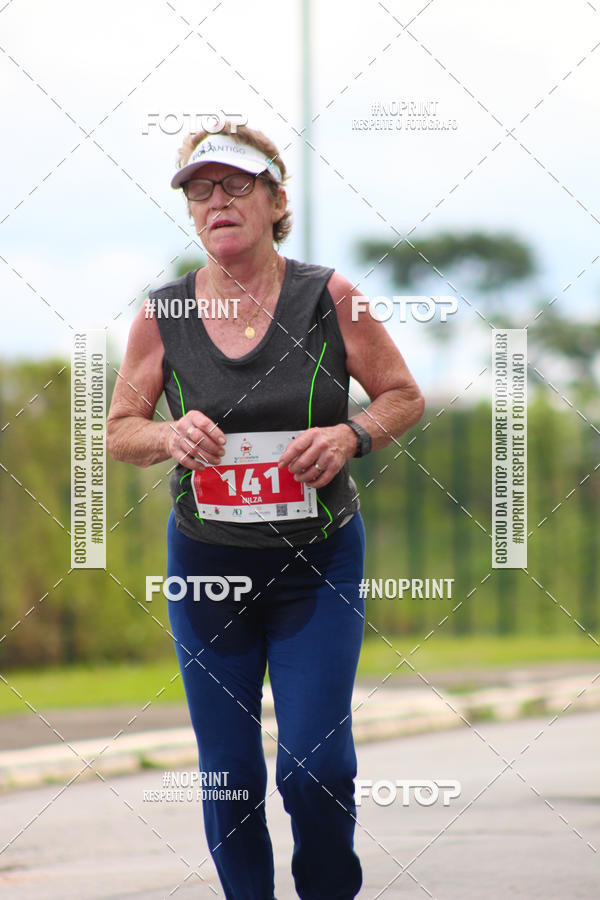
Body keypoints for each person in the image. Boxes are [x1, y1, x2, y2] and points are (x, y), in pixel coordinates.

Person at [107, 121, 424, 899]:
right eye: (200, 190)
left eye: (236, 185)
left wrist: (350, 436)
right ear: (190, 212)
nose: (217, 202)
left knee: (317, 767)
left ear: (276, 198)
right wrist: (169, 432)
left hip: (316, 566)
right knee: (230, 780)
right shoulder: (164, 313)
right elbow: (121, 432)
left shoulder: (330, 298)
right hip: (207, 568)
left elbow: (403, 397)